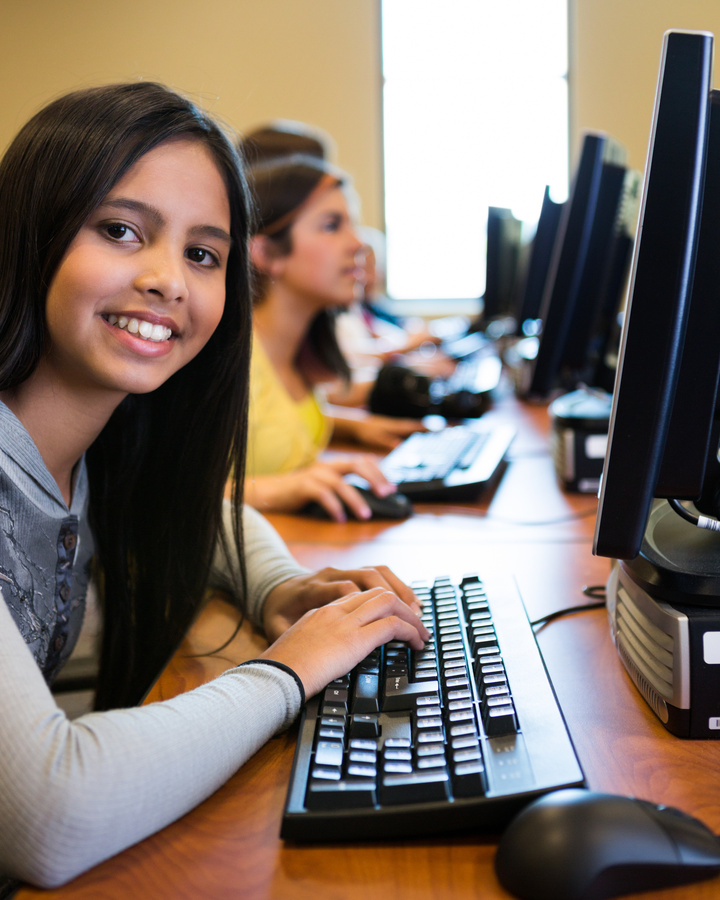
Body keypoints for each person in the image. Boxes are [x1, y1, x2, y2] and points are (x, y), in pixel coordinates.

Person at [0, 82, 429, 889]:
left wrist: (280, 591)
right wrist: (289, 671)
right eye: (122, 230)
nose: (169, 280)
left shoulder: (100, 438)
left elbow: (211, 513)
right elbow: (49, 816)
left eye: (203, 253)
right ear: (31, 230)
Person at [244, 154, 425, 522]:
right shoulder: (229, 363)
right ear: (265, 253)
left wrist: (354, 433)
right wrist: (280, 489)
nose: (357, 243)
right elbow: (158, 492)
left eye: (352, 225)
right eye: (331, 226)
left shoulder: (296, 354)